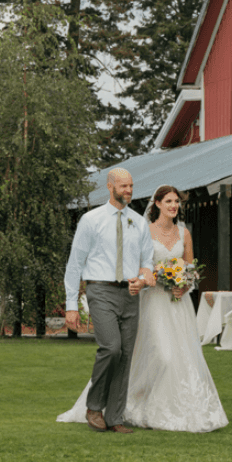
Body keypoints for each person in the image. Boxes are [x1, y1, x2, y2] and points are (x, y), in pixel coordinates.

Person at [58, 183, 228, 433]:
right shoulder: (143, 230)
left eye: (176, 202)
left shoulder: (185, 234)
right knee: (160, 355)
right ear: (157, 204)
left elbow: (191, 269)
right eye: (168, 201)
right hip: (151, 302)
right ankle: (133, 405)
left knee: (182, 357)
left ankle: (166, 408)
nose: (173, 206)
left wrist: (184, 284)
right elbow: (136, 266)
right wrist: (154, 278)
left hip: (177, 306)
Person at [61, 167, 154, 434]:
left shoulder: (139, 222)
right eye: (123, 186)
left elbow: (147, 262)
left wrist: (141, 279)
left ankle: (115, 417)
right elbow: (75, 263)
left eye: (131, 186)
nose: (128, 190)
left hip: (130, 293)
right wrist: (71, 305)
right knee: (111, 348)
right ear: (109, 186)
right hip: (100, 291)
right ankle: (94, 406)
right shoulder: (91, 220)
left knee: (125, 356)